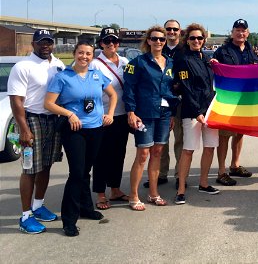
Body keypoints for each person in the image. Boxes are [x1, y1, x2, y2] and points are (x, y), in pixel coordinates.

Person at [44, 41, 117, 236]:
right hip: (75, 130)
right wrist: (69, 114)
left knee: (85, 171)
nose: (84, 57)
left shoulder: (96, 75)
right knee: (76, 173)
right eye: (81, 53)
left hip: (96, 129)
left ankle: (86, 208)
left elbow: (112, 94)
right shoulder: (63, 77)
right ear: (74, 53)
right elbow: (49, 103)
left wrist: (109, 113)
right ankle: (69, 219)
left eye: (88, 54)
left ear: (92, 56)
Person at [7, 29, 65, 234]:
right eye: (41, 42)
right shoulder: (23, 66)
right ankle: (25, 216)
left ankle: (38, 206)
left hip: (53, 120)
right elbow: (16, 101)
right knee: (30, 169)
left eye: (48, 42)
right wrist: (23, 129)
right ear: (33, 44)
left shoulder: (58, 65)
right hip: (32, 120)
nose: (45, 45)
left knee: (46, 165)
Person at [123, 26, 179, 211]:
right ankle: (134, 195)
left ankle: (154, 193)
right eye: (154, 39)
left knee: (157, 153)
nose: (158, 42)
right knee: (143, 154)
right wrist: (131, 111)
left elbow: (170, 90)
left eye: (162, 39)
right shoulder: (138, 62)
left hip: (164, 114)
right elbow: (129, 89)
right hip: (144, 113)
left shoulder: (170, 63)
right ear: (148, 41)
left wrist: (172, 112)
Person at [174, 23, 220, 205]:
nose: (196, 41)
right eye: (192, 38)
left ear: (204, 40)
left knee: (210, 148)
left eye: (199, 38)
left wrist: (217, 65)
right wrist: (197, 112)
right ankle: (181, 189)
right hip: (192, 112)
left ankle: (203, 183)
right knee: (188, 150)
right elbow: (186, 89)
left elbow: (213, 85)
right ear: (187, 40)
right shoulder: (183, 59)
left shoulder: (208, 59)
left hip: (210, 111)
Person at [211, 19, 257, 186]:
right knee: (224, 135)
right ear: (232, 32)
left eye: (243, 30)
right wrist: (214, 65)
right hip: (228, 100)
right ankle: (221, 171)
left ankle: (234, 165)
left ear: (248, 32)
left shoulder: (251, 50)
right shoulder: (222, 51)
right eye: (237, 30)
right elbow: (213, 72)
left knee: (239, 133)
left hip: (245, 100)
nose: (240, 33)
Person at [91, 27, 130, 210]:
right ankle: (100, 193)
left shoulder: (124, 61)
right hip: (103, 116)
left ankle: (115, 189)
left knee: (118, 154)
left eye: (114, 41)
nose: (111, 44)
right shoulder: (95, 64)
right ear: (101, 44)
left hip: (122, 115)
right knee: (101, 156)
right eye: (107, 41)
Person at [144, 19, 185, 189]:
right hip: (162, 100)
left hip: (181, 100)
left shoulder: (186, 49)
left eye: (175, 29)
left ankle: (180, 175)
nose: (171, 32)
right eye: (168, 29)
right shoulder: (159, 47)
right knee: (161, 141)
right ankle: (161, 174)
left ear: (180, 31)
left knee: (180, 139)